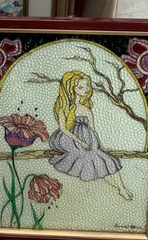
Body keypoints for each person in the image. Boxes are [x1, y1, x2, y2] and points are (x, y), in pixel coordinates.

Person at [49, 70, 132, 199]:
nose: (85, 89)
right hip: (68, 139)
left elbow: (92, 129)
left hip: (88, 140)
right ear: (71, 89)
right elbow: (64, 129)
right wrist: (80, 141)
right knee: (93, 158)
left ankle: (122, 188)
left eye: (86, 86)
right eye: (80, 87)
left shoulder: (86, 108)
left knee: (106, 160)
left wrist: (99, 146)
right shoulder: (64, 107)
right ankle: (121, 188)